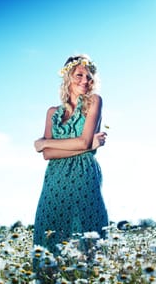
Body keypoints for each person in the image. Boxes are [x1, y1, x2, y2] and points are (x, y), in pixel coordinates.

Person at [33, 54, 108, 254]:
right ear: (68, 77)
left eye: (89, 76)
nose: (85, 80)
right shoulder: (52, 112)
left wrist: (45, 142)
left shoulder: (94, 102)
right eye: (79, 75)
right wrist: (89, 144)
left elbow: (79, 142)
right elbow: (47, 154)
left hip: (84, 174)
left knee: (88, 235)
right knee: (49, 234)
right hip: (54, 179)